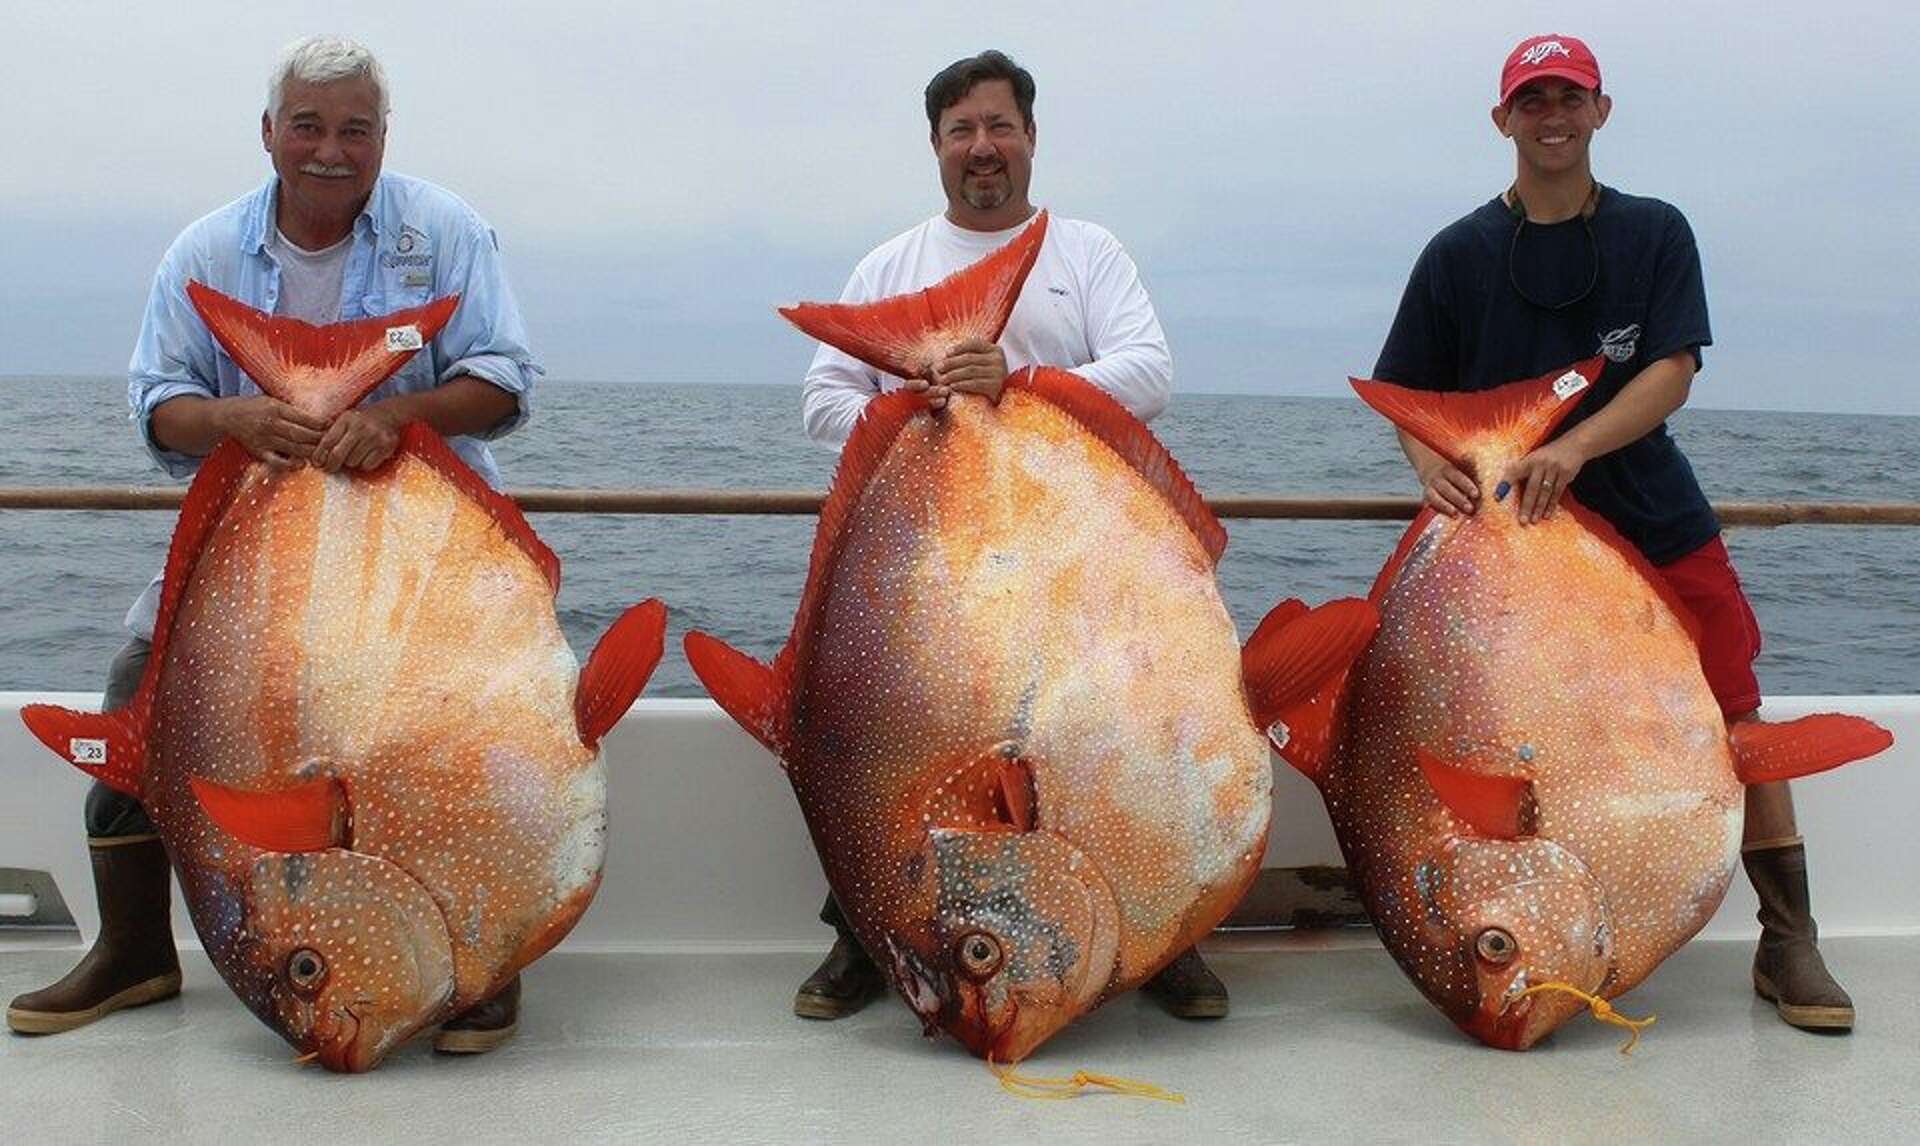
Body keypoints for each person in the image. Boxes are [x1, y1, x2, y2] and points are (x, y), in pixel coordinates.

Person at [6, 35, 542, 1053]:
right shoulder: (206, 253)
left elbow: (506, 382)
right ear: (269, 134)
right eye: (308, 125)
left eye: (354, 128)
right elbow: (157, 404)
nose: (330, 149)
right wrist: (237, 420)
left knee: (474, 740)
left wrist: (399, 414)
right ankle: (134, 952)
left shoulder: (449, 230)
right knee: (140, 701)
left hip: (424, 551)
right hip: (254, 538)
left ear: (384, 138)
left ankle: (482, 958)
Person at [1373, 33, 1852, 1032]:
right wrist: (1434, 469)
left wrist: (1572, 447)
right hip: (1514, 553)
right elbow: (1408, 399)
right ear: (1502, 119)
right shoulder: (1458, 255)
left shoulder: (1654, 233)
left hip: (1651, 517)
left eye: (1570, 97)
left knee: (1734, 718)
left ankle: (1789, 940)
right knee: (1505, 734)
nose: (1552, 114)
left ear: (1601, 110)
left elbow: (1673, 369)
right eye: (1532, 99)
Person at [793, 50, 1227, 1023]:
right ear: (936, 147)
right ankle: (862, 935)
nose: (981, 149)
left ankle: (1171, 939)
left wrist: (1020, 388)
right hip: (942, 571)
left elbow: (1149, 370)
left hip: (1081, 557)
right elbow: (824, 402)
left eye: (998, 127)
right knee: (898, 741)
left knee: (1127, 729)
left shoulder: (1087, 254)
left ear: (1031, 137)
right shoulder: (890, 267)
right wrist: (918, 399)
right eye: (961, 132)